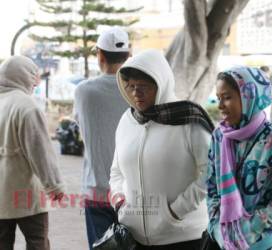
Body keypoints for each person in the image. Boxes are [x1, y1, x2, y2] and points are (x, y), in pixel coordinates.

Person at [109, 49, 214, 250]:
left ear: (161, 84)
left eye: (143, 87)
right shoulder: (127, 120)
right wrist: (119, 201)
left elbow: (211, 172)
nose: (135, 93)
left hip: (183, 237)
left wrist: (176, 211)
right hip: (134, 236)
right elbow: (116, 170)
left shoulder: (189, 120)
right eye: (130, 86)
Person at [206, 66, 272, 250]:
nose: (220, 106)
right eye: (218, 98)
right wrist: (216, 224)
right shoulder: (219, 136)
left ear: (248, 96)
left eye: (227, 97)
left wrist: (256, 224)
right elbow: (211, 185)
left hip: (263, 243)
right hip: (223, 240)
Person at [0, 56, 65, 250]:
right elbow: (40, 151)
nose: (35, 84)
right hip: (26, 193)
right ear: (23, 77)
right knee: (37, 242)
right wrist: (54, 186)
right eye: (33, 78)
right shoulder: (26, 106)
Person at [73, 26, 130, 249]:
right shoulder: (139, 91)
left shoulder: (83, 91)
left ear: (100, 55)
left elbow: (81, 125)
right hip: (133, 191)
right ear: (128, 56)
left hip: (96, 189)